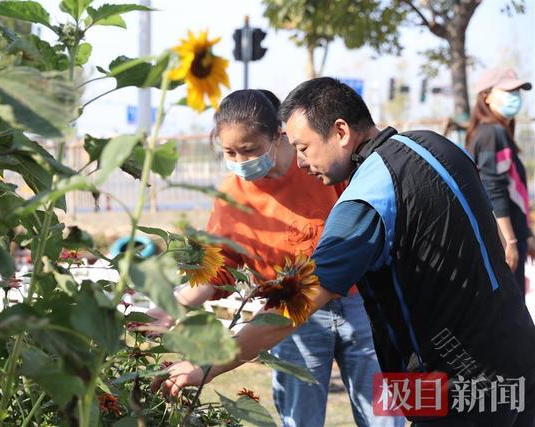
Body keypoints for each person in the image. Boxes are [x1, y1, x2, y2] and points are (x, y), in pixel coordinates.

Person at [156, 78, 535, 426]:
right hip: (516, 354)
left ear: (340, 131)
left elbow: (296, 303)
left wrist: (207, 364)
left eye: (303, 147)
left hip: (458, 379)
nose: (302, 162)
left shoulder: (366, 197)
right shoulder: (432, 144)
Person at [149, 89, 402, 426]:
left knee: (384, 413)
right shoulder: (232, 195)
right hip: (286, 317)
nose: (240, 161)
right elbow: (219, 269)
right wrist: (171, 306)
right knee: (299, 418)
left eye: (249, 150)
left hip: (361, 305)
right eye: (230, 153)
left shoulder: (320, 167)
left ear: (278, 135)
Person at [466, 66, 534, 298]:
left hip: (511, 237)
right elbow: (492, 189)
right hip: (505, 242)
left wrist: (525, 235)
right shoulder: (492, 134)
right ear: (486, 96)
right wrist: (511, 241)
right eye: (508, 91)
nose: (515, 97)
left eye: (517, 91)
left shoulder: (493, 133)